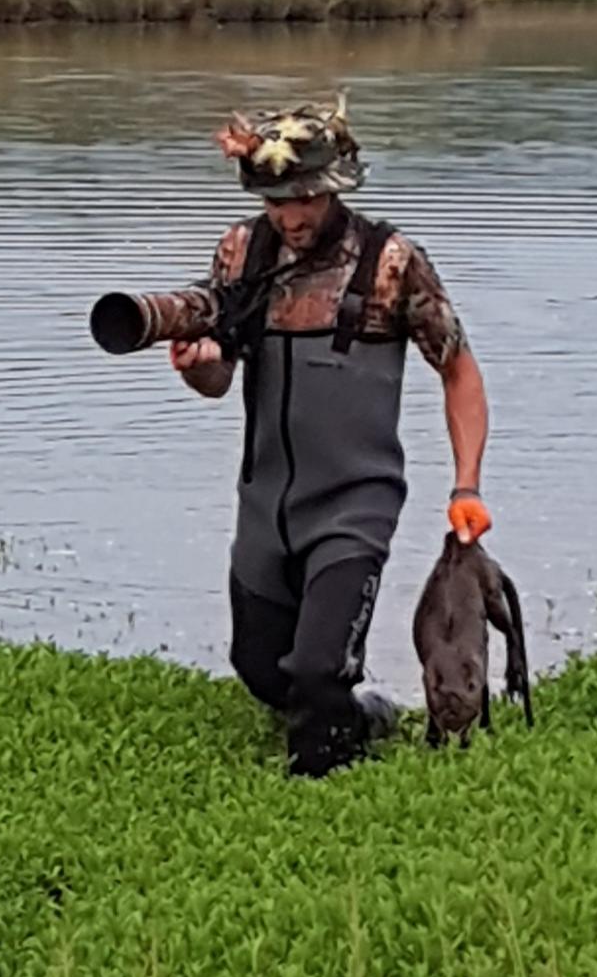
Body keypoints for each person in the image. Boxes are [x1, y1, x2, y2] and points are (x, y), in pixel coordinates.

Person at [160, 98, 490, 778]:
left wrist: (466, 485)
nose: (292, 216)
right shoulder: (241, 251)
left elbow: (459, 371)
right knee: (257, 668)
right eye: (277, 199)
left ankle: (331, 756)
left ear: (336, 186)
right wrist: (200, 366)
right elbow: (221, 378)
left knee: (313, 679)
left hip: (354, 505)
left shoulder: (391, 263)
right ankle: (364, 708)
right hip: (265, 503)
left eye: (306, 196)